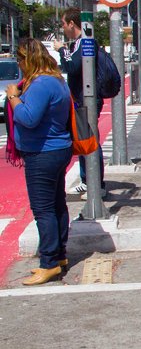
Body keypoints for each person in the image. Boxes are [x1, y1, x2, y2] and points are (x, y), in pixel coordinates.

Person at [5, 39, 73, 285]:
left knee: (43, 209)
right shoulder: (56, 80)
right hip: (57, 149)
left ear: (29, 60)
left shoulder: (41, 84)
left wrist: (13, 97)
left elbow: (28, 118)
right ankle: (59, 255)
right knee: (56, 205)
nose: (19, 65)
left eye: (21, 60)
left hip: (43, 153)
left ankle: (49, 263)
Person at [53, 7, 106, 199]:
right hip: (82, 97)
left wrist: (61, 50)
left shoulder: (82, 43)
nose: (63, 28)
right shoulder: (80, 43)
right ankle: (87, 181)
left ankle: (96, 184)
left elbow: (72, 66)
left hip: (88, 98)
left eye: (63, 24)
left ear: (71, 24)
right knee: (83, 139)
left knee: (90, 140)